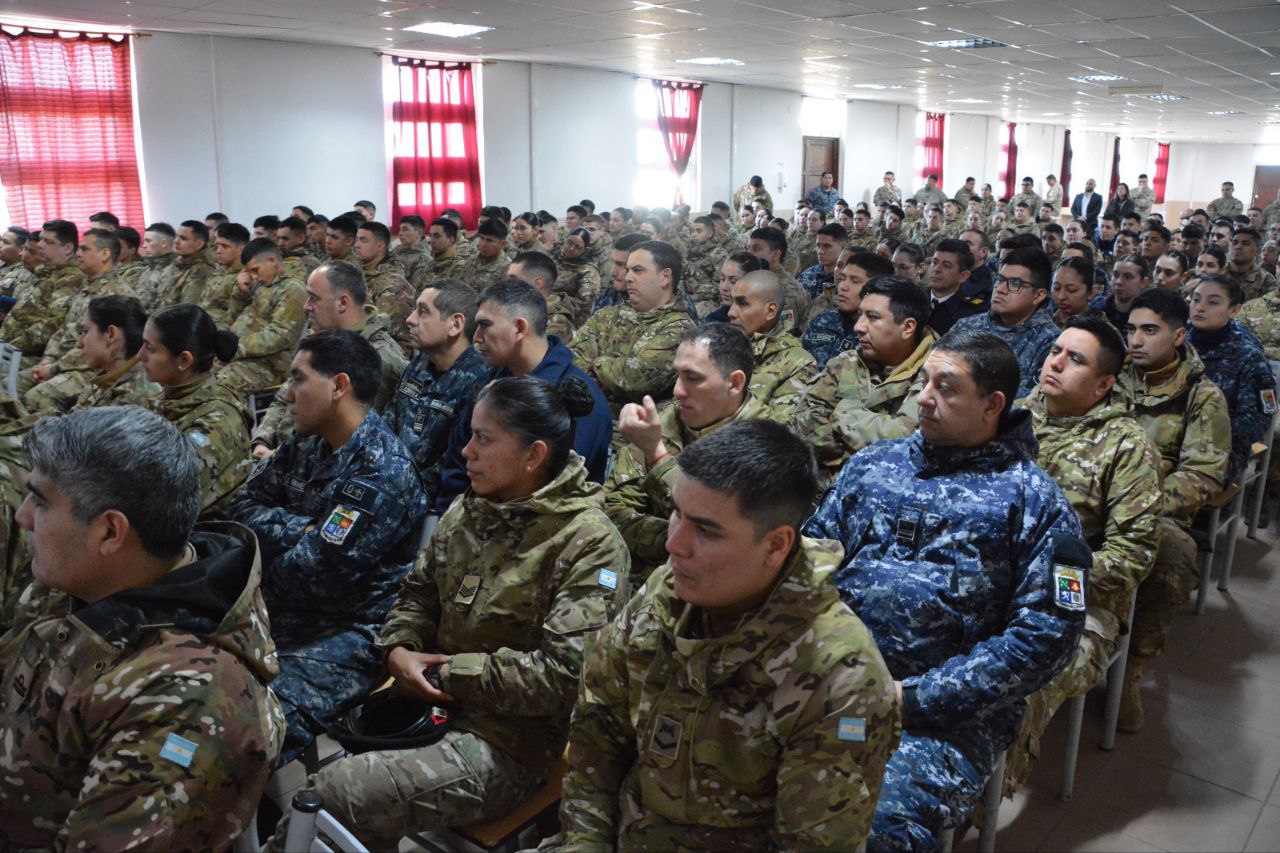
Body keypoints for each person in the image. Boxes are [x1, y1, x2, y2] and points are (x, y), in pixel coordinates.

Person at [267, 376, 628, 851]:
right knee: (339, 780)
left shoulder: (589, 544)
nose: (465, 452)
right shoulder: (470, 509)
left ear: (534, 455)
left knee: (334, 794)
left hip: (510, 742)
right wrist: (400, 649)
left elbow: (562, 677)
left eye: (483, 439)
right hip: (429, 706)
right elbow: (418, 593)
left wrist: (446, 674)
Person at [803, 329, 1087, 849]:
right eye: (924, 382)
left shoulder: (1035, 502)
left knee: (877, 824)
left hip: (942, 717)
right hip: (828, 679)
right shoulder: (872, 465)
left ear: (992, 405)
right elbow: (806, 564)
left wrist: (912, 698)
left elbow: (1048, 635)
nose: (923, 398)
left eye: (946, 387)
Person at [562, 419, 899, 849]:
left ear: (776, 545)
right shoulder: (667, 593)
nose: (674, 544)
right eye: (676, 513)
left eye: (705, 530)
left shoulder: (841, 676)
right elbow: (596, 740)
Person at [0, 406, 284, 849]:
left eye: (39, 501)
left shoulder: (189, 701)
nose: (23, 517)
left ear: (110, 533)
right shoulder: (82, 579)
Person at [230, 330, 427, 757]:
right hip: (273, 610)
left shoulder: (381, 472)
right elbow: (240, 508)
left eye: (299, 379)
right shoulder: (307, 443)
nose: (287, 394)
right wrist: (302, 529)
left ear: (339, 386)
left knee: (241, 732)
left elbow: (309, 577)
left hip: (342, 634)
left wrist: (268, 548)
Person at [1004, 317, 1161, 795]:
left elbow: (1133, 553)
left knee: (1016, 691)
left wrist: (1046, 578)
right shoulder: (1010, 416)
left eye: (1075, 360)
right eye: (1055, 351)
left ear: (1103, 385)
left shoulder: (1127, 446)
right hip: (991, 577)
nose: (1055, 363)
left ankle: (970, 806)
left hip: (1076, 600)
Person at [1117, 288, 1230, 730]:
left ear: (1179, 336)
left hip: (1155, 510)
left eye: (1150, 330)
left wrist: (1139, 503)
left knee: (1174, 558)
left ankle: (1131, 669)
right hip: (1092, 493)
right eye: (1131, 329)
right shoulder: (1109, 374)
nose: (1136, 340)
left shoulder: (1202, 396)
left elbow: (1202, 474)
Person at [606, 323, 781, 585]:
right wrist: (673, 539)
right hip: (642, 575)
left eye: (693, 377)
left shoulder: (768, 443)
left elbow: (726, 540)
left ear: (734, 383)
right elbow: (614, 509)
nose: (677, 390)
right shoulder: (667, 418)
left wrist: (657, 455)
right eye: (677, 375)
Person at [434, 278, 612, 513]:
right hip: (472, 517)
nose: (476, 337)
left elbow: (556, 488)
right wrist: (450, 518)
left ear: (519, 328)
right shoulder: (488, 383)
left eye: (485, 325)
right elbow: (458, 464)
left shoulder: (577, 400)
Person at [252, 260, 409, 454]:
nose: (306, 306)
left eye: (313, 298)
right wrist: (263, 440)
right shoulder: (324, 338)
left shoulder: (377, 358)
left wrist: (277, 456)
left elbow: (342, 439)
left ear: (342, 303)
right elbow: (286, 394)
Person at [799, 276, 937, 476]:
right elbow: (804, 421)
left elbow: (907, 442)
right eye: (860, 315)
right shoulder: (847, 361)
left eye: (872, 317)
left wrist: (844, 412)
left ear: (907, 328)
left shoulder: (937, 376)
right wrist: (854, 453)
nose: (858, 327)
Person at [138, 303, 252, 518]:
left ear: (184, 360)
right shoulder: (170, 398)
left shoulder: (217, 422)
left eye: (150, 349)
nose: (140, 356)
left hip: (199, 532)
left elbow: (161, 497)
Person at [572, 240, 696, 413]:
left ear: (665, 277)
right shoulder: (606, 315)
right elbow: (571, 360)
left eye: (637, 270)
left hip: (631, 424)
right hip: (582, 411)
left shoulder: (680, 328)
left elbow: (635, 379)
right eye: (628, 270)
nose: (628, 277)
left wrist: (596, 363)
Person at [22, 228, 132, 413]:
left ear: (105, 254)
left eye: (84, 249)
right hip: (61, 363)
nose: (78, 253)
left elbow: (102, 348)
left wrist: (54, 368)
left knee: (38, 397)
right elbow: (63, 330)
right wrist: (47, 361)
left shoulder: (118, 296)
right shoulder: (87, 286)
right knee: (11, 385)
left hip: (90, 369)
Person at [1187, 274, 1277, 483]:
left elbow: (1260, 416)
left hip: (1219, 449)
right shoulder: (1177, 340)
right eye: (1196, 299)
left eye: (1213, 302)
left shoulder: (1249, 355)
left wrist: (1204, 436)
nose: (1200, 307)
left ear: (1234, 310)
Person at [951, 247, 1059, 398]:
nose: (1000, 289)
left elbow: (1030, 402)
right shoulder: (967, 326)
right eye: (1000, 280)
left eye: (1015, 284)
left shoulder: (1051, 343)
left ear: (1038, 295)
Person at [215, 238, 308, 399]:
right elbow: (233, 317)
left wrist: (237, 347)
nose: (254, 276)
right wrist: (241, 292)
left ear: (272, 261)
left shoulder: (293, 289)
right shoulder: (263, 283)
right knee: (196, 375)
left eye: (255, 270)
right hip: (242, 356)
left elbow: (279, 336)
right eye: (249, 272)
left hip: (270, 363)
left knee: (223, 383)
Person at [0, 220, 86, 386]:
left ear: (68, 248)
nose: (40, 245)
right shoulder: (46, 271)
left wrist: (7, 345)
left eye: (47, 241)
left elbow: (51, 327)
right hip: (11, 347)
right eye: (40, 239)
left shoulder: (71, 278)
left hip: (32, 355)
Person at [725, 269, 816, 418]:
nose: (731, 312)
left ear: (770, 311)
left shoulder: (797, 363)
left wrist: (724, 398)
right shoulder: (723, 344)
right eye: (732, 302)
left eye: (742, 303)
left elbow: (782, 426)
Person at [926, 238, 986, 335]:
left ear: (963, 276)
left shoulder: (974, 313)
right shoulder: (912, 297)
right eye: (934, 262)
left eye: (946, 265)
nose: (936, 269)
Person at [553, 227, 602, 324]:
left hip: (571, 318)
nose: (571, 248)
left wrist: (551, 301)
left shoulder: (588, 271)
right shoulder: (557, 259)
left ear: (586, 249)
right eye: (569, 243)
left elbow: (582, 303)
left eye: (578, 247)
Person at [1101, 254, 1151, 331]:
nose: (1119, 282)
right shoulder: (1099, 311)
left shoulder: (1150, 317)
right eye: (1115, 275)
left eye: (1127, 277)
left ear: (1143, 282)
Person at [1227, 227, 1276, 301]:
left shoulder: (1266, 280)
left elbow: (1269, 306)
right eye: (1235, 243)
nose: (1238, 247)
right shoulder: (1217, 271)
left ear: (1258, 251)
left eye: (1245, 244)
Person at [1051, 255, 1102, 326]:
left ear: (1091, 292)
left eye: (1071, 290)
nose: (1061, 296)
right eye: (1056, 288)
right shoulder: (1042, 321)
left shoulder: (1101, 329)